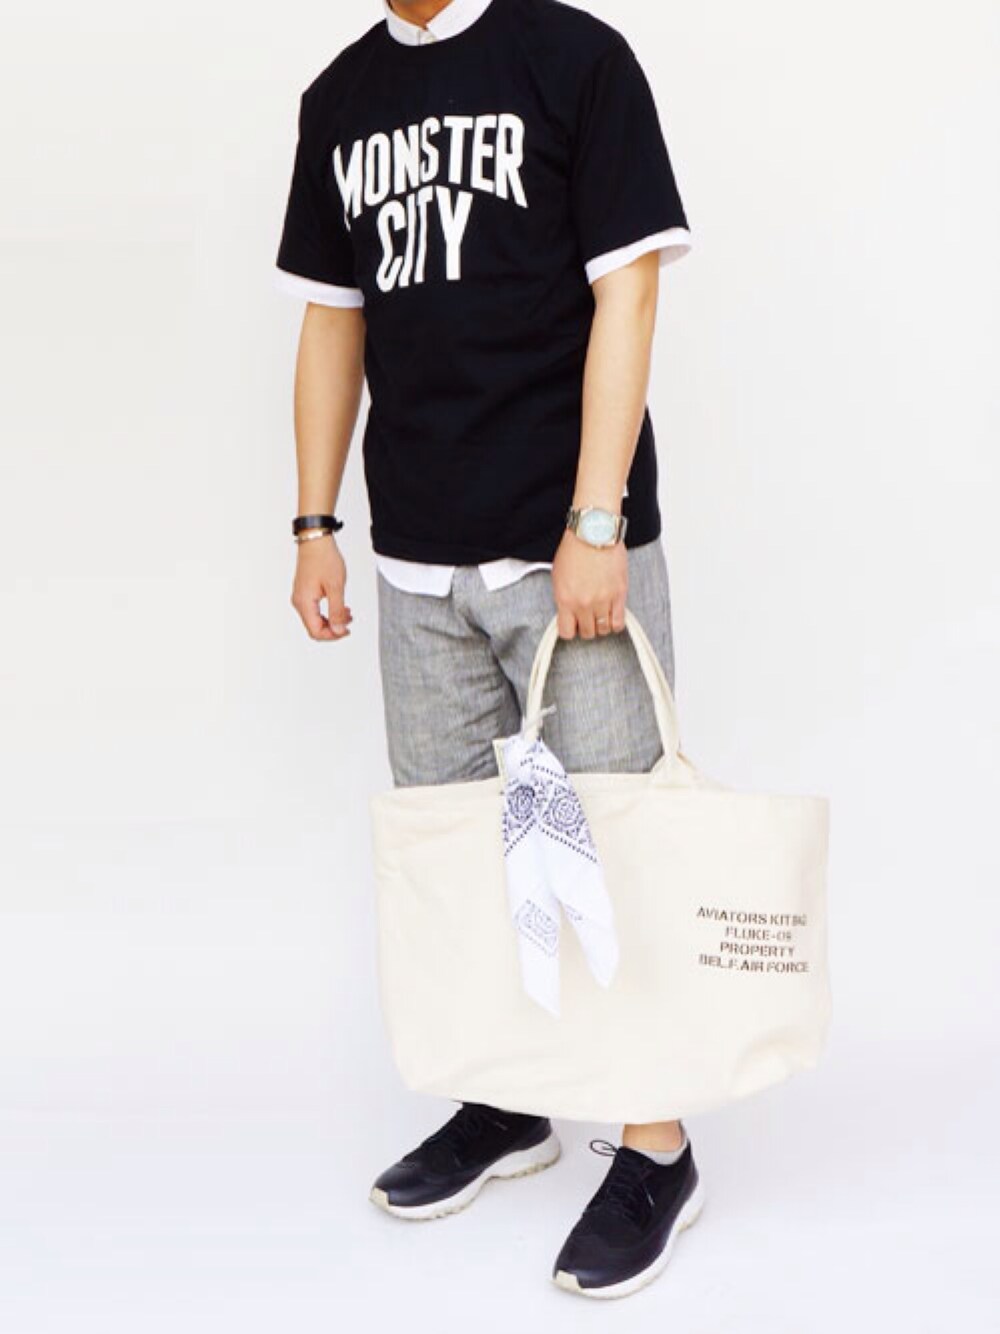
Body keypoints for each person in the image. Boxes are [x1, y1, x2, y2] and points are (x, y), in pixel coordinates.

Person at [274, 0, 703, 1300]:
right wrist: (314, 522)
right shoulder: (339, 99)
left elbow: (629, 286)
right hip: (416, 557)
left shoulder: (574, 59)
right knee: (462, 850)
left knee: (613, 840)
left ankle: (657, 1141)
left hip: (563, 546)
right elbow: (333, 320)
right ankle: (509, 1101)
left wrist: (596, 519)